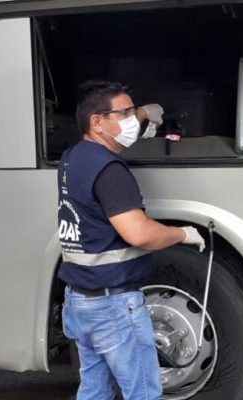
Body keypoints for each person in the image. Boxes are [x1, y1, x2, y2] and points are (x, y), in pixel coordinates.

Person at [58, 80, 206, 400]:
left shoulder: (73, 158)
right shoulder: (109, 170)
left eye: (132, 113)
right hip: (112, 305)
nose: (131, 120)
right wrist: (182, 233)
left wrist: (144, 113)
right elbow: (138, 233)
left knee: (94, 389)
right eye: (124, 114)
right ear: (97, 122)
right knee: (143, 392)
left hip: (80, 301)